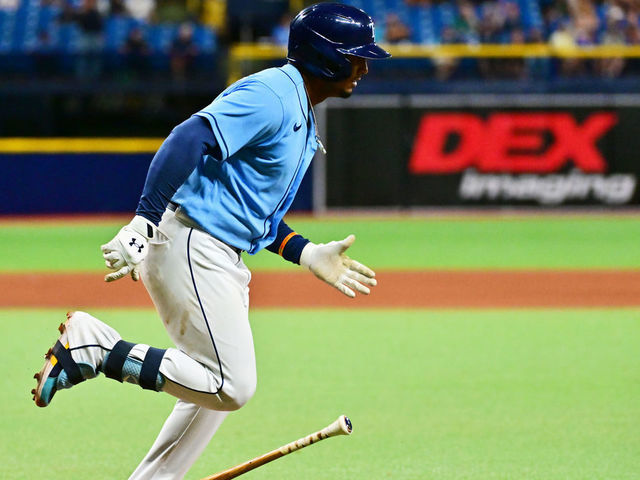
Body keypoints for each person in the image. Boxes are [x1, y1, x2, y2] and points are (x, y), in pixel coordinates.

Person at [31, 3, 390, 479]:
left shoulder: (299, 108)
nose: (364, 66)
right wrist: (144, 220)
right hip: (193, 244)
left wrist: (305, 252)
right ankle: (97, 348)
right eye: (355, 56)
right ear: (325, 57)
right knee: (232, 385)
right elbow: (188, 137)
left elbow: (248, 208)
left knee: (209, 391)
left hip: (213, 248)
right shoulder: (272, 94)